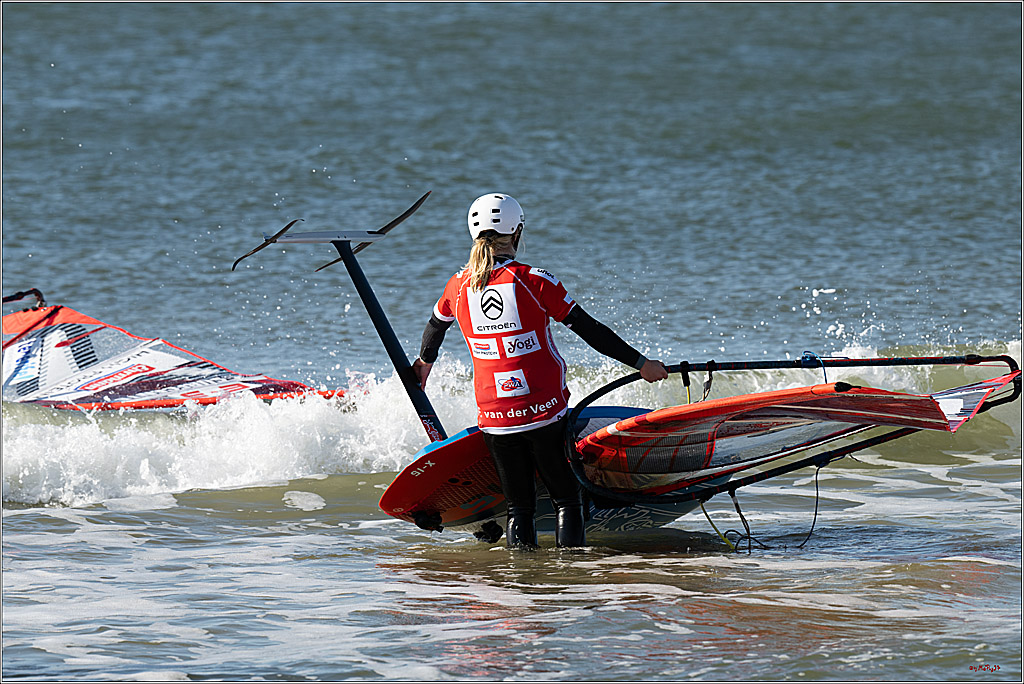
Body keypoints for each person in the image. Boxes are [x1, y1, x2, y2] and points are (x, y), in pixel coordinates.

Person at [412, 193, 668, 550]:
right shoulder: (533, 280)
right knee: (567, 499)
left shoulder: (458, 285)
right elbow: (589, 329)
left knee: (519, 507)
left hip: (494, 416)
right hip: (542, 411)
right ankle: (568, 575)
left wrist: (425, 364)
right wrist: (642, 365)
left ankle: (521, 582)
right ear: (516, 233)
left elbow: (435, 325)